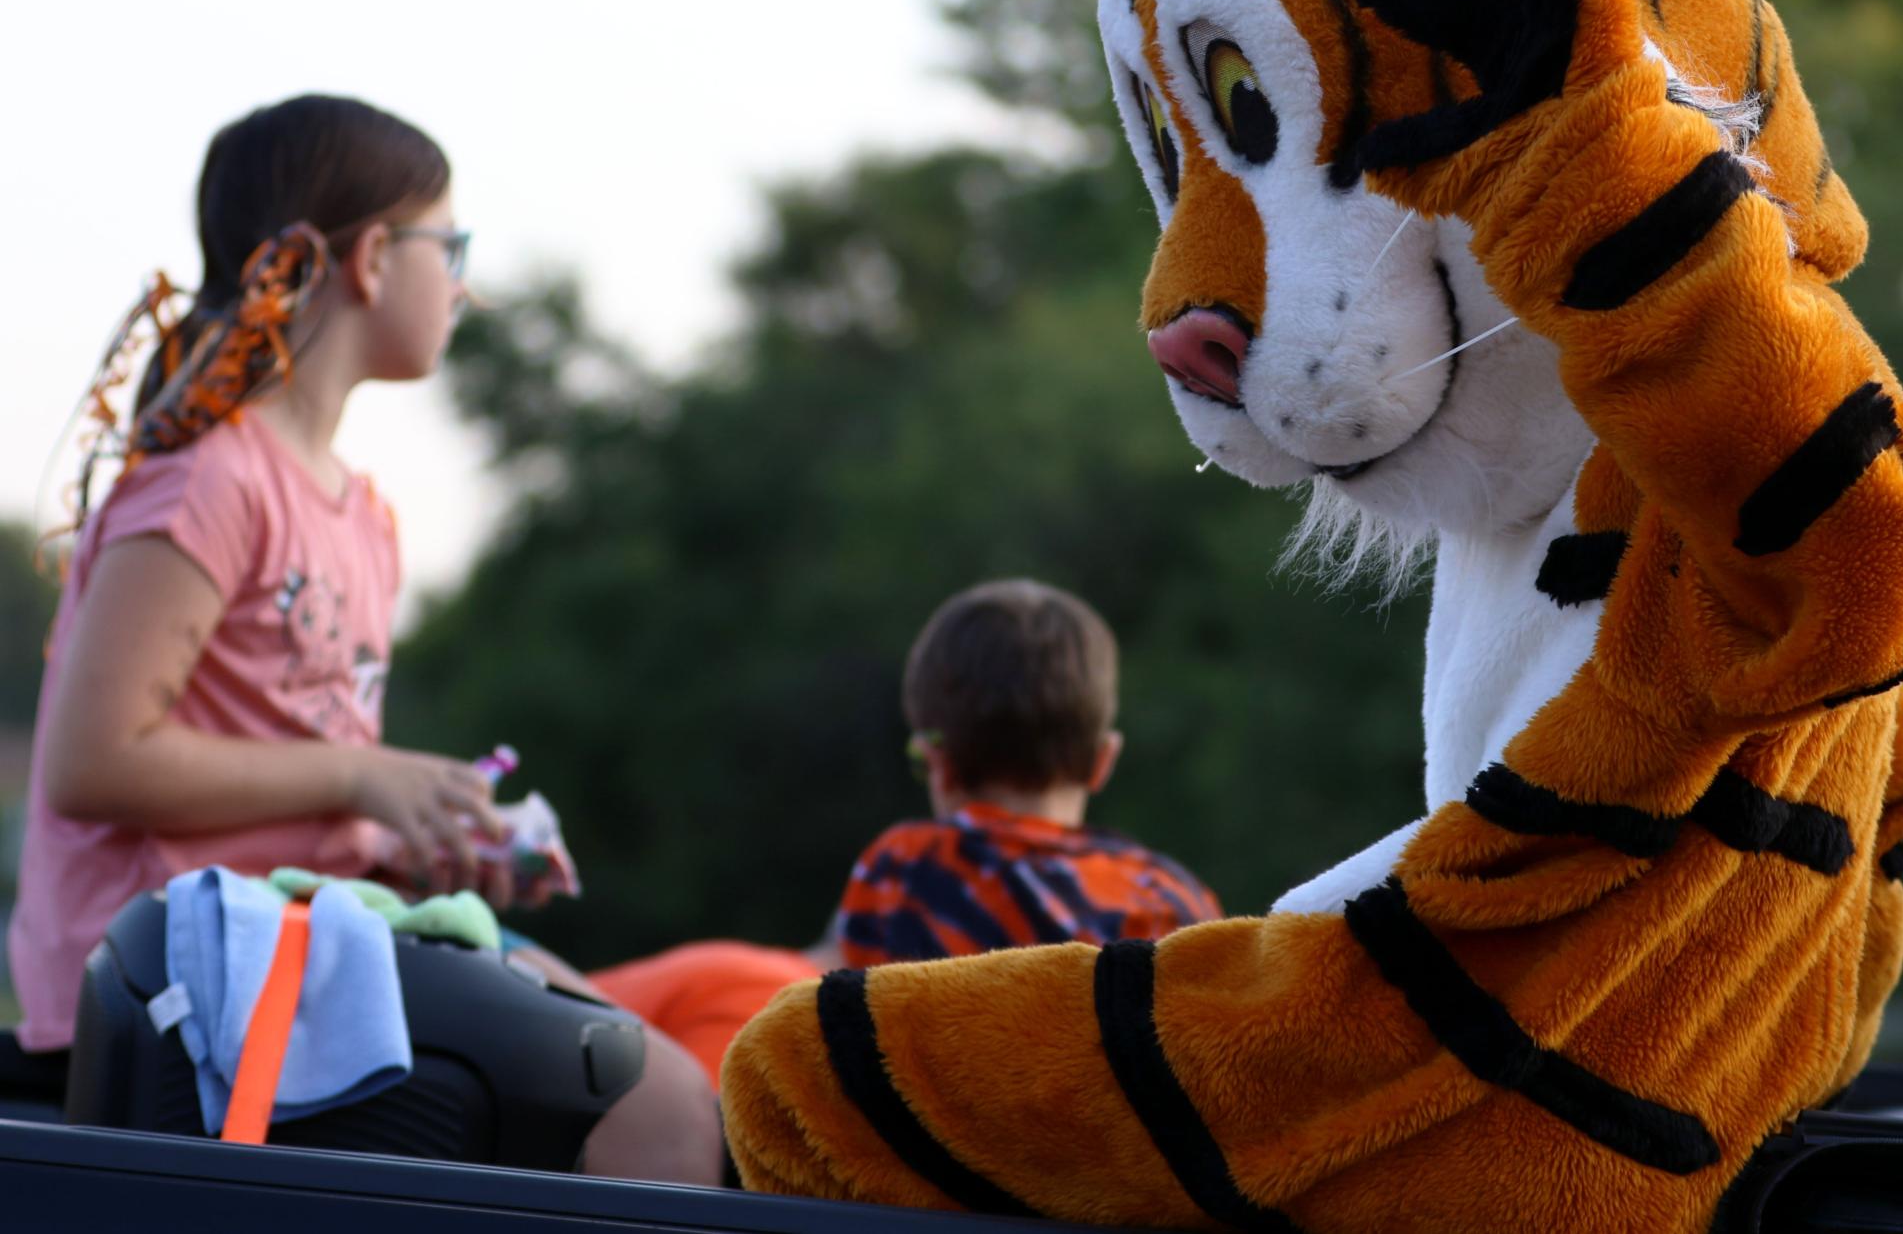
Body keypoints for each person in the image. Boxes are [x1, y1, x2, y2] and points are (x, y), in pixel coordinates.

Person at [6, 95, 718, 1182]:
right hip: (175, 973)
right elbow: (93, 761)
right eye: (453, 244)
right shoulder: (209, 480)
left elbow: (299, 787)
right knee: (656, 1102)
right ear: (376, 257)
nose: (465, 280)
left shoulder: (365, 514)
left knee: (672, 1075)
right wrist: (362, 774)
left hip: (308, 931)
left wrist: (422, 836)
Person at [592, 577, 1221, 1085]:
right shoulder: (1170, 896)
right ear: (1102, 760)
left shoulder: (910, 865)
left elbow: (829, 1012)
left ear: (936, 761)